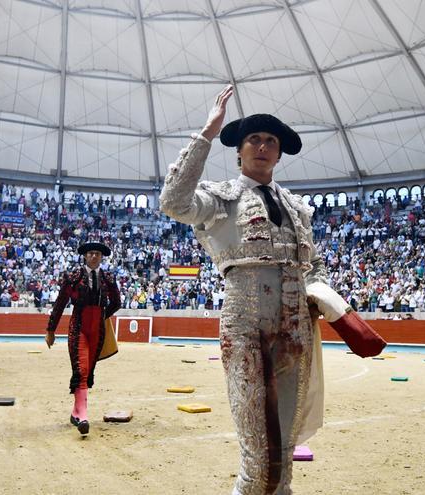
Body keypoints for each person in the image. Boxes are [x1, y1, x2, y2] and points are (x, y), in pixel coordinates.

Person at [160, 85, 328, 494]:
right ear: (238, 150)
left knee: (284, 448)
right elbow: (173, 200)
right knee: (256, 453)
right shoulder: (222, 198)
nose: (263, 146)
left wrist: (323, 295)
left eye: (271, 141)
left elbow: (314, 265)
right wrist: (206, 134)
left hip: (296, 329)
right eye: (254, 138)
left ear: (279, 153)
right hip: (244, 325)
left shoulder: (297, 208)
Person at [45, 241, 121, 435]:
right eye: (91, 253)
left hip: (97, 329)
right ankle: (84, 415)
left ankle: (76, 412)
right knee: (82, 367)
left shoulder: (107, 278)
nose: (94, 256)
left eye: (97, 254)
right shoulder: (73, 277)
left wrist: (103, 316)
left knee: (88, 370)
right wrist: (51, 330)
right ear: (85, 256)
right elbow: (60, 302)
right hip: (78, 325)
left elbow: (117, 302)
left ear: (102, 257)